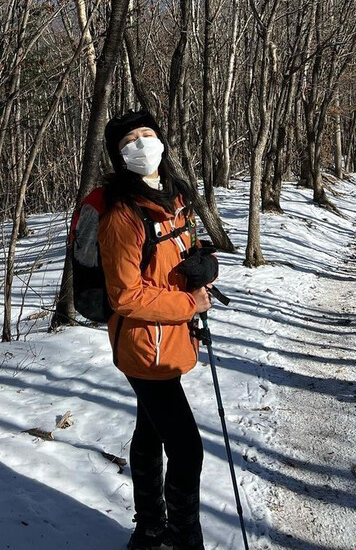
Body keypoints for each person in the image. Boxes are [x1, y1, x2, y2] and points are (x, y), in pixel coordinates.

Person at [97, 109, 215, 550]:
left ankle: (149, 531)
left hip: (169, 338)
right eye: (130, 140)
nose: (142, 145)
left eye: (148, 135)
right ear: (118, 154)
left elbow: (185, 249)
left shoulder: (174, 198)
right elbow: (125, 296)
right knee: (187, 451)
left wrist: (206, 264)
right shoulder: (121, 217)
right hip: (144, 348)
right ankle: (183, 541)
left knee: (149, 433)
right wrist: (189, 303)